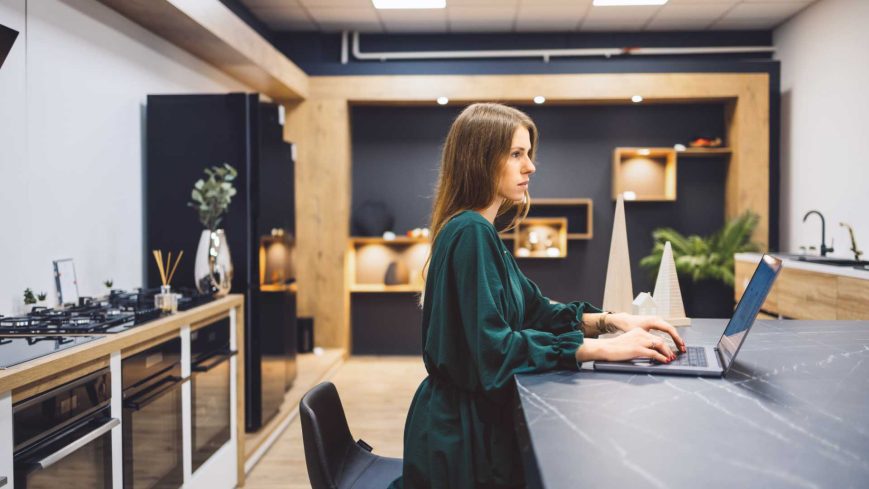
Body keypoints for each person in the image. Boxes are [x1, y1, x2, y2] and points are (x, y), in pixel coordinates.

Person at [388, 103, 686, 489]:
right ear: (480, 159)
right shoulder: (470, 233)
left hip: (469, 427)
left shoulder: (480, 232)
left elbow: (536, 310)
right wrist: (598, 349)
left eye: (527, 154)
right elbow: (493, 353)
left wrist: (614, 321)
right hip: (464, 443)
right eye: (516, 154)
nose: (530, 166)